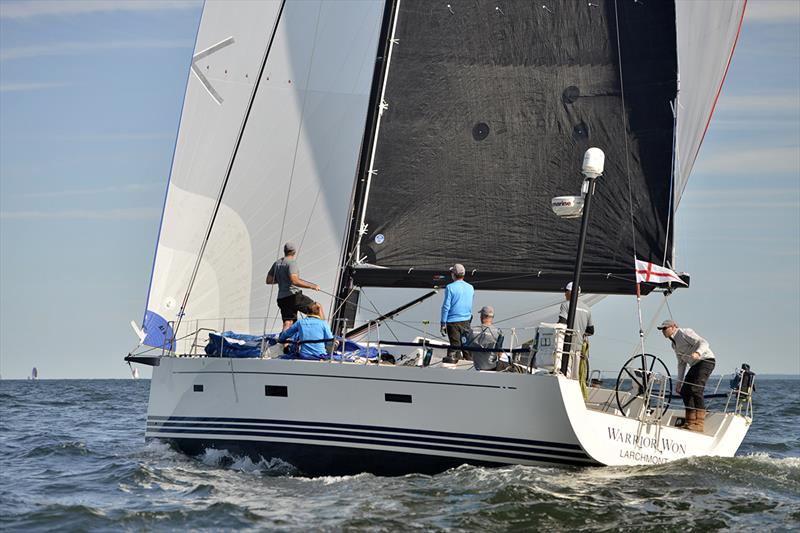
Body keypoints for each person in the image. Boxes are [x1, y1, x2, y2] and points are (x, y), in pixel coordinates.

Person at [657, 319, 716, 432]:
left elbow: (704, 342)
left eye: (664, 328)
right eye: (661, 329)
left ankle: (699, 423)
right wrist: (679, 382)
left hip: (706, 360)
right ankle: (690, 421)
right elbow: (681, 363)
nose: (663, 331)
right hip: (695, 365)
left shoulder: (684, 332)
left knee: (696, 390)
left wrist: (698, 352)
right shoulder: (673, 345)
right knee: (684, 391)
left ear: (673, 327)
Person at [266, 242, 320, 331]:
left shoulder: (277, 263)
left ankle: (283, 343)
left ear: (284, 251)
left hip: (282, 298)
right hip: (294, 297)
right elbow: (295, 281)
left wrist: (282, 280)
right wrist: (312, 286)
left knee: (288, 322)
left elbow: (268, 280)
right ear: (294, 252)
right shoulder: (291, 263)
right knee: (317, 308)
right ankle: (324, 337)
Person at [558, 282, 594, 379]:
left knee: (565, 375)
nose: (564, 294)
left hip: (566, 346)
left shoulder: (566, 305)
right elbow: (591, 330)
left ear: (571, 292)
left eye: (566, 291)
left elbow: (562, 323)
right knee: (575, 378)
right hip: (578, 348)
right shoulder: (587, 309)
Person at [440, 263, 474, 363]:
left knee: (455, 348)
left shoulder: (450, 287)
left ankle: (457, 369)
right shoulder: (470, 287)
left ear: (453, 275)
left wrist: (443, 323)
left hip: (453, 323)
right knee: (467, 347)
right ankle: (470, 366)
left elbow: (446, 307)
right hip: (466, 321)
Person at [468, 305, 510, 371]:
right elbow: (500, 354)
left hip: (478, 367)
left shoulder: (472, 331)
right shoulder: (499, 332)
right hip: (492, 368)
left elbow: (468, 350)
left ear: (482, 316)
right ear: (492, 317)